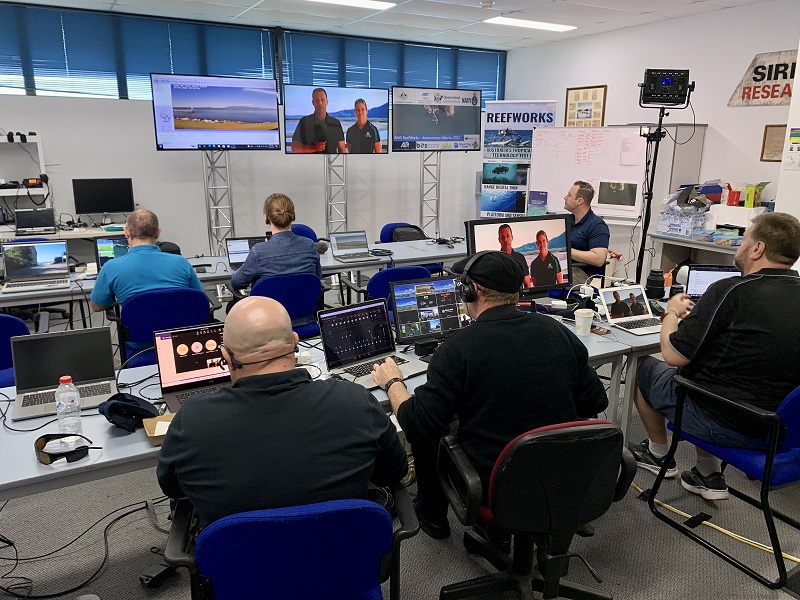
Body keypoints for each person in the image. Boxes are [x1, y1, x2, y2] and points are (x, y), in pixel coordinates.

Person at [371, 251, 607, 542]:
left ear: (472, 290)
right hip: (564, 474)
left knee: (434, 430)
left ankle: (433, 518)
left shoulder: (458, 349)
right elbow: (596, 402)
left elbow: (418, 425)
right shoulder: (558, 332)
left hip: (494, 484)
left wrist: (393, 382)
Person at [157, 296, 408, 527]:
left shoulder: (191, 420)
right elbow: (394, 472)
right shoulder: (355, 400)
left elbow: (174, 489)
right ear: (295, 343)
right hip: (344, 562)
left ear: (225, 356)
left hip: (240, 570)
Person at [629, 212, 800, 501]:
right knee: (710, 371)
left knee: (643, 366)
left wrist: (671, 311)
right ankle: (707, 473)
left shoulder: (731, 290)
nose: (740, 245)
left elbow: (672, 355)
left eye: (744, 239)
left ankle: (658, 454)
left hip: (730, 422)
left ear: (757, 249)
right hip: (782, 428)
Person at [230, 194, 322, 323]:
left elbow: (237, 283)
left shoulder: (259, 251)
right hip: (306, 319)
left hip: (268, 325)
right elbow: (317, 278)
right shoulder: (309, 246)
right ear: (292, 215)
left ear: (267, 217)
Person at [89, 209, 203, 311]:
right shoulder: (180, 262)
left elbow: (97, 305)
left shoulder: (111, 267)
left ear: (126, 232)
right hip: (178, 331)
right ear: (158, 233)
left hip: (138, 333)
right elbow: (199, 295)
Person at [563, 181, 610, 279]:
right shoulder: (567, 220)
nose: (565, 197)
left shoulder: (597, 225)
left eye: (569, 195)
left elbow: (599, 259)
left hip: (580, 273)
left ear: (580, 201)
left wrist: (566, 251)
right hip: (564, 267)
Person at [290, 88, 346, 154]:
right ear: (313, 102)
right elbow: (294, 147)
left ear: (327, 102)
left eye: (322, 100)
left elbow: (342, 150)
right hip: (310, 163)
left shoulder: (335, 123)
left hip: (331, 163)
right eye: (317, 100)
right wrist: (314, 148)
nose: (320, 103)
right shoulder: (304, 122)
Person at [497, 224, 533, 288]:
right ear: (499, 239)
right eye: (503, 237)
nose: (505, 239)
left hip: (519, 297)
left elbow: (527, 284)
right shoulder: (496, 260)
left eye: (507, 236)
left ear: (512, 237)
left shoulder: (520, 258)